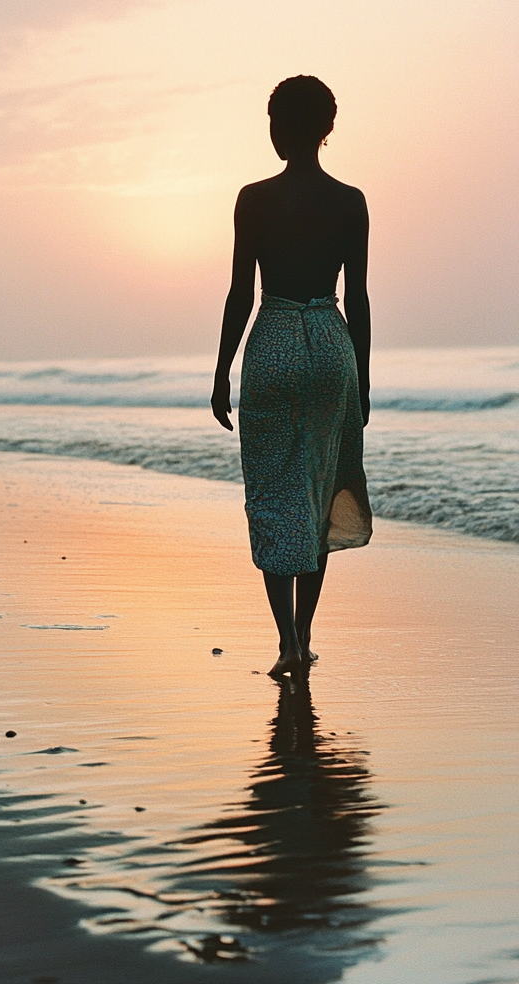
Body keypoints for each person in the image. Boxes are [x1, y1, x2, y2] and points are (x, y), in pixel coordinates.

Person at [211, 75, 372, 678]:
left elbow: (239, 294)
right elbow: (357, 298)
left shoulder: (253, 198)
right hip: (331, 347)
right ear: (326, 130)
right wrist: (363, 379)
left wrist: (222, 369)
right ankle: (308, 632)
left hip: (275, 341)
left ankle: (287, 643)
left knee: (276, 496)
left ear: (280, 127)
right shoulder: (350, 200)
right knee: (320, 490)